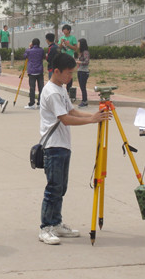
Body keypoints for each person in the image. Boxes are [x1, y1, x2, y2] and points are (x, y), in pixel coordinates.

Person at [38, 53, 110, 245]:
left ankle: (56, 222)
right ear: (56, 71)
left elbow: (71, 111)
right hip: (53, 146)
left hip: (63, 145)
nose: (71, 77)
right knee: (53, 188)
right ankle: (46, 228)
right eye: (69, 73)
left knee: (61, 188)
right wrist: (91, 120)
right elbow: (65, 119)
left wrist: (92, 116)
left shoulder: (60, 88)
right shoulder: (52, 92)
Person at [24, 38, 45, 109]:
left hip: (32, 71)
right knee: (41, 88)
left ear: (32, 43)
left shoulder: (29, 51)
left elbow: (25, 56)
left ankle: (31, 103)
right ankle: (40, 103)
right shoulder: (41, 50)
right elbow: (44, 57)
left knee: (32, 88)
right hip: (40, 71)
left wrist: (30, 47)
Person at [58, 25, 78, 92]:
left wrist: (68, 45)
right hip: (63, 57)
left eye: (65, 29)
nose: (64, 31)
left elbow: (75, 48)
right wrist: (61, 43)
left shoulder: (73, 38)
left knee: (69, 72)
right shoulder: (62, 38)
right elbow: (59, 48)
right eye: (63, 30)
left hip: (70, 57)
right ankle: (61, 88)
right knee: (62, 72)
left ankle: (69, 89)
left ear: (69, 30)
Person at [76, 38, 90, 108]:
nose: (77, 44)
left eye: (79, 43)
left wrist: (79, 62)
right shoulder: (81, 52)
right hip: (80, 71)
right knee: (81, 87)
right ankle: (84, 100)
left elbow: (86, 62)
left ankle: (84, 101)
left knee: (83, 87)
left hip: (84, 72)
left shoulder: (85, 52)